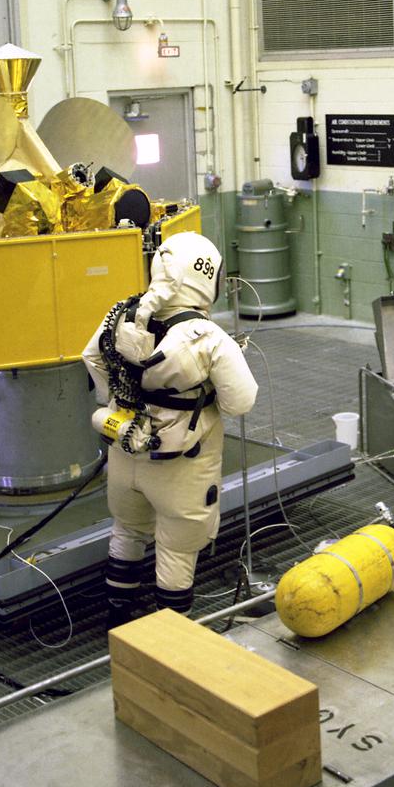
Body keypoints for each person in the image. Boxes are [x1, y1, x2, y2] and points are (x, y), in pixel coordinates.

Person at [82, 232, 258, 623]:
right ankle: (172, 638)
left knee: (127, 532)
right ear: (206, 276)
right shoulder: (208, 338)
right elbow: (240, 402)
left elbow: (92, 356)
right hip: (182, 464)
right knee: (177, 552)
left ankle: (118, 618)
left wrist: (119, 401)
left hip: (126, 449)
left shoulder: (122, 316)